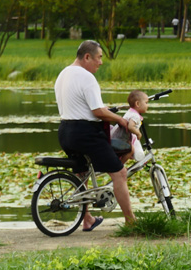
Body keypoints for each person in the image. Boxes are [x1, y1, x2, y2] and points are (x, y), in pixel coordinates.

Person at [55, 40, 136, 230]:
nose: (100, 63)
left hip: (65, 132)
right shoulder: (86, 77)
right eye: (99, 58)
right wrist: (120, 120)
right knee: (120, 173)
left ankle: (87, 219)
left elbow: (80, 106)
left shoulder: (63, 74)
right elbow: (98, 112)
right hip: (86, 134)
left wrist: (106, 110)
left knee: (81, 174)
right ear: (87, 57)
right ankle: (131, 221)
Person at [111, 90, 149, 163]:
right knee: (131, 150)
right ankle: (119, 166)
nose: (148, 105)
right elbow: (131, 127)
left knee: (133, 149)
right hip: (121, 139)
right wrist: (138, 133)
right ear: (137, 104)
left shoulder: (130, 111)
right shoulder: (135, 116)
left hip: (117, 137)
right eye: (146, 103)